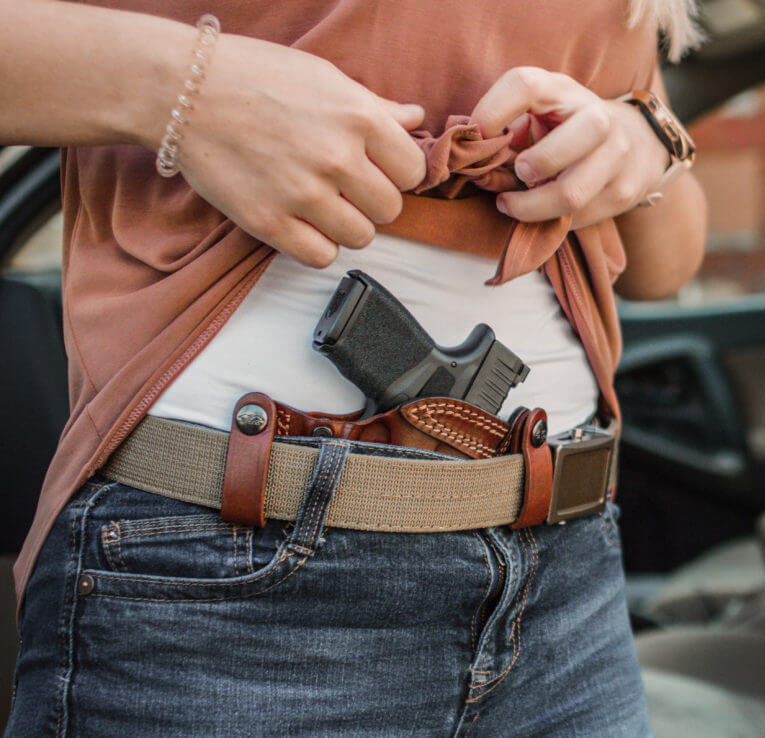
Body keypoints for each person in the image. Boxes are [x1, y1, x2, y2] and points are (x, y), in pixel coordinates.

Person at [2, 0, 707, 734]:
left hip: (567, 577)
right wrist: (188, 89)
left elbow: (667, 264)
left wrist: (645, 143)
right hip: (234, 574)